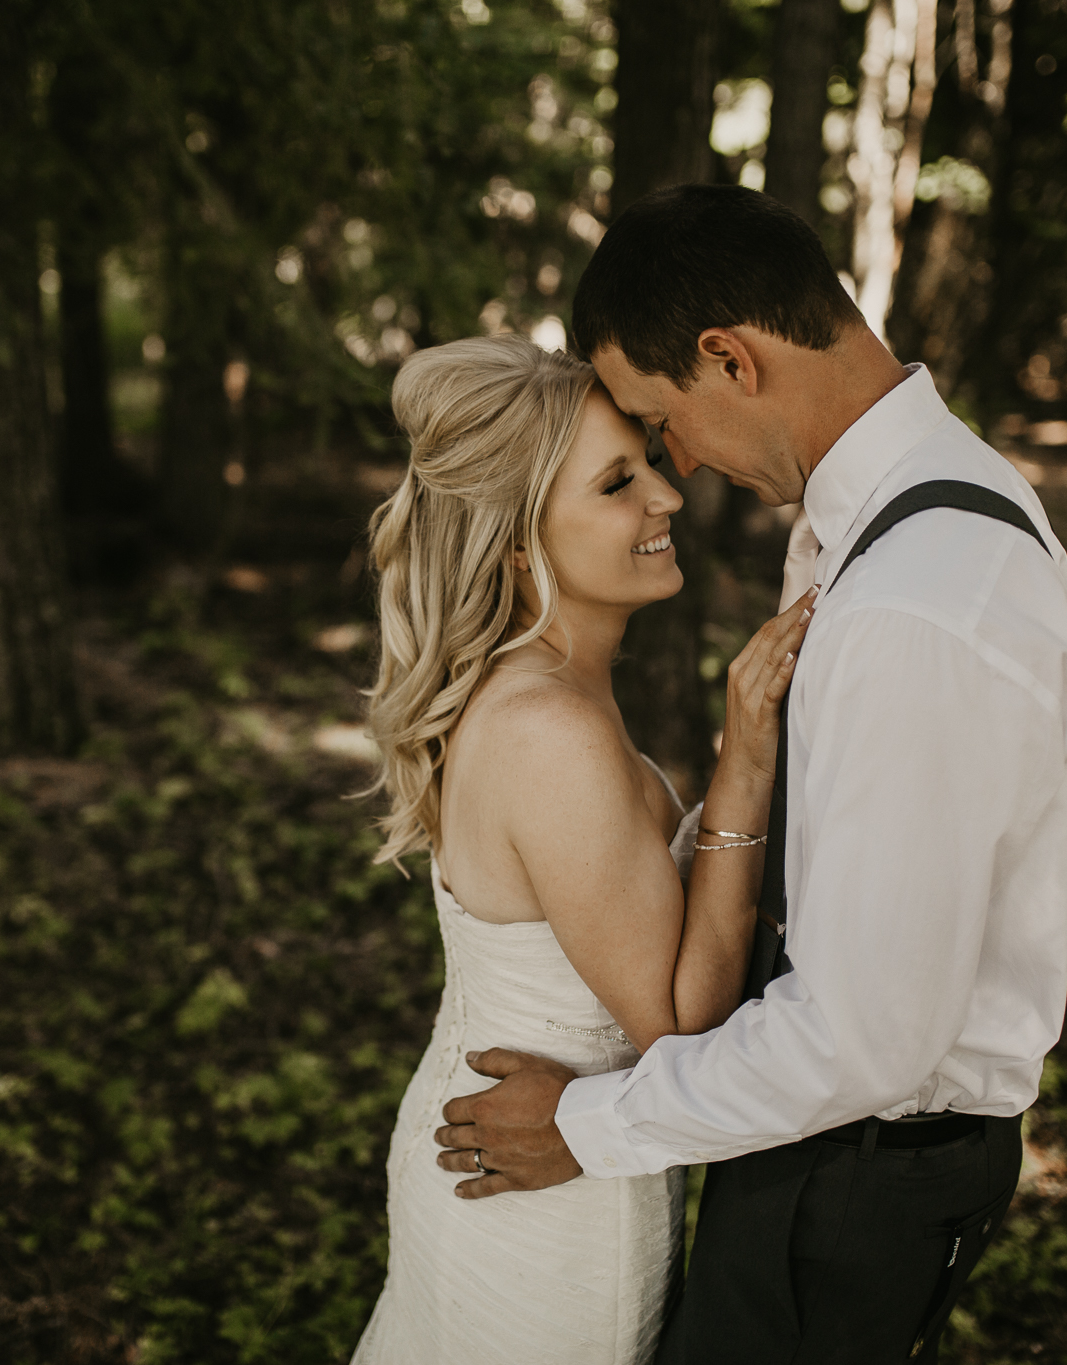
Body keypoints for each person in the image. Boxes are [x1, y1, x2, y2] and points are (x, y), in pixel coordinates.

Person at [430, 184, 1067, 1363]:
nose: (673, 467)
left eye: (657, 419)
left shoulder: (912, 603)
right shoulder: (892, 522)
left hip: (850, 1178)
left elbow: (860, 1037)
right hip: (813, 1153)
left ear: (728, 358)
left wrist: (584, 1125)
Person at [349, 331, 817, 1365]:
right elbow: (680, 1022)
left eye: (646, 460)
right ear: (521, 549)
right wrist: (742, 760)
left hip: (516, 1149)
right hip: (535, 1198)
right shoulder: (545, 731)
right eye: (615, 483)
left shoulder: (546, 696)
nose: (664, 496)